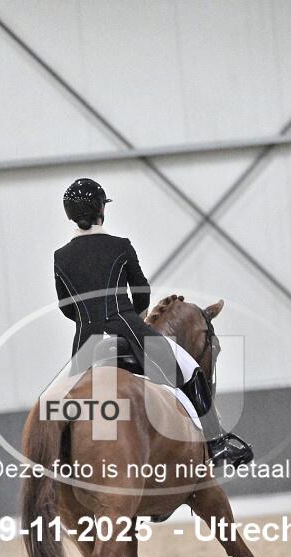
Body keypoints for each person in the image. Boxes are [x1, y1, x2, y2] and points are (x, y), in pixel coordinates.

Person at [54, 177, 253, 467]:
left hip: (86, 347)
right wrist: (134, 317)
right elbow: (142, 292)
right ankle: (216, 444)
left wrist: (87, 320)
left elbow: (65, 306)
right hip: (130, 334)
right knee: (191, 371)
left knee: (60, 404)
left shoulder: (60, 257)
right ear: (101, 210)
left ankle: (58, 464)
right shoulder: (120, 246)